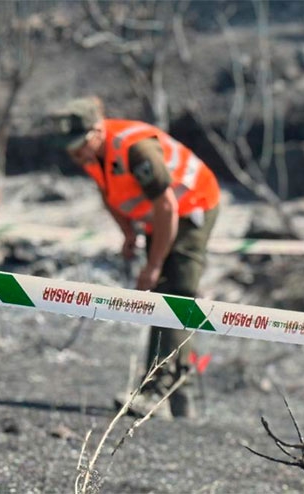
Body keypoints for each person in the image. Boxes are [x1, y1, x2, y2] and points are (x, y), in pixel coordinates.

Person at [48, 97, 221, 418]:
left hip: (191, 205)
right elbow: (109, 193)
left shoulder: (135, 149)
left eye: (79, 145)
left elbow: (168, 205)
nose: (75, 155)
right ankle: (179, 397)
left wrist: (153, 264)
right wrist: (129, 234)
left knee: (176, 296)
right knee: (162, 297)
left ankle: (157, 390)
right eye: (69, 148)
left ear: (97, 131)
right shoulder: (91, 153)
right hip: (161, 216)